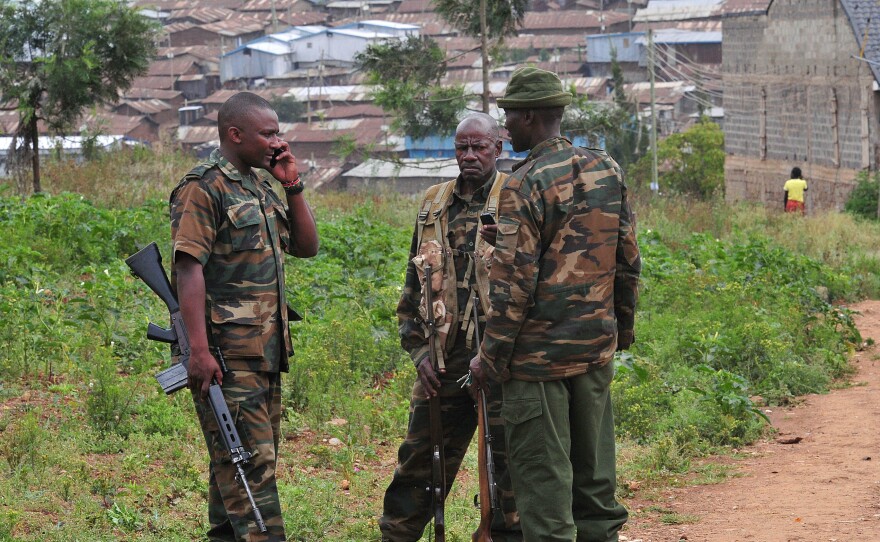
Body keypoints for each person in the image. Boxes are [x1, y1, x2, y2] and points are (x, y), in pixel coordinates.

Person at [469, 67, 641, 542]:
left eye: (509, 116)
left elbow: (512, 285)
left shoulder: (522, 183)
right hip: (593, 352)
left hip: (537, 363)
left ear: (529, 116)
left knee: (545, 496)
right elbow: (627, 258)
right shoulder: (607, 168)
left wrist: (490, 357)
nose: (506, 126)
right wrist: (620, 331)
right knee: (596, 487)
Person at [169, 91, 319, 542]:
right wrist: (198, 350)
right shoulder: (203, 187)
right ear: (235, 135)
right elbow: (187, 266)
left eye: (278, 132)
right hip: (226, 358)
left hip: (265, 354)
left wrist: (292, 185)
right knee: (250, 473)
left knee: (234, 468)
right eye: (268, 133)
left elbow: (308, 247)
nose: (278, 142)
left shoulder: (260, 185)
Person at [380, 112, 522, 542]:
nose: (470, 155)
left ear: (498, 149)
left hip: (502, 364)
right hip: (444, 365)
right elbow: (411, 293)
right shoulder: (433, 203)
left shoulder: (517, 197)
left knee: (508, 470)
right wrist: (421, 355)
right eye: (463, 147)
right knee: (419, 465)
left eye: (480, 147)